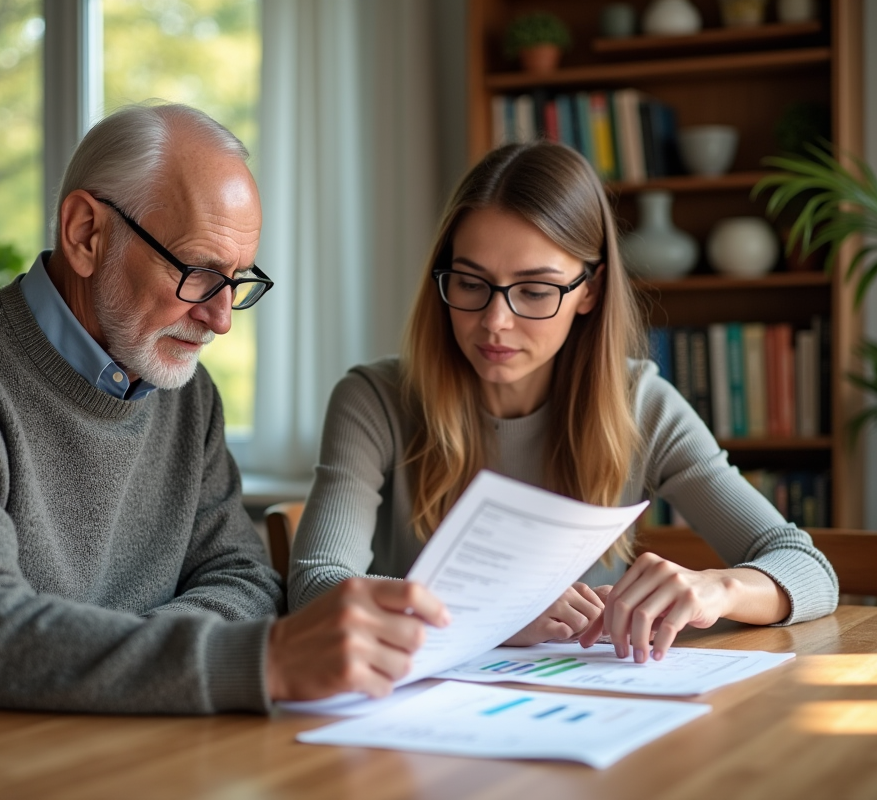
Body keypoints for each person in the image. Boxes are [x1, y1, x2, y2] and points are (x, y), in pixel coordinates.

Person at [0, 103, 446, 747]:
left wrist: (124, 665)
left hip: (102, 736)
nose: (221, 318)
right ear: (86, 233)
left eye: (237, 281)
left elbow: (243, 579)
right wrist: (253, 660)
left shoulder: (187, 395)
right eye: (198, 272)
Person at [289, 141, 839, 664]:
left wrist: (715, 588)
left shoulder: (641, 404)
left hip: (590, 704)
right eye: (470, 282)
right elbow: (316, 587)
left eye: (534, 290)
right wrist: (494, 610)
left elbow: (809, 569)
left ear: (590, 291)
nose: (494, 322)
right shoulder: (374, 400)